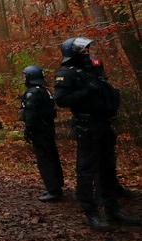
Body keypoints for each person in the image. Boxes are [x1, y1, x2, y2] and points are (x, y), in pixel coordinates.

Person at [53, 37, 140, 230]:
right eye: (83, 50)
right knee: (87, 170)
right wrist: (86, 91)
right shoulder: (66, 73)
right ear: (73, 53)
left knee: (107, 167)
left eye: (88, 50)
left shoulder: (93, 70)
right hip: (86, 127)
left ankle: (112, 208)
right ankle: (90, 212)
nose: (87, 53)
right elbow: (61, 100)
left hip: (104, 124)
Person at [19, 66, 64, 202]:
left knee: (45, 160)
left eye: (25, 76)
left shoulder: (32, 93)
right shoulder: (45, 91)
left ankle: (53, 190)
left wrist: (28, 129)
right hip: (48, 129)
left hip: (40, 131)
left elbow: (31, 114)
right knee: (52, 157)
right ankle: (57, 185)